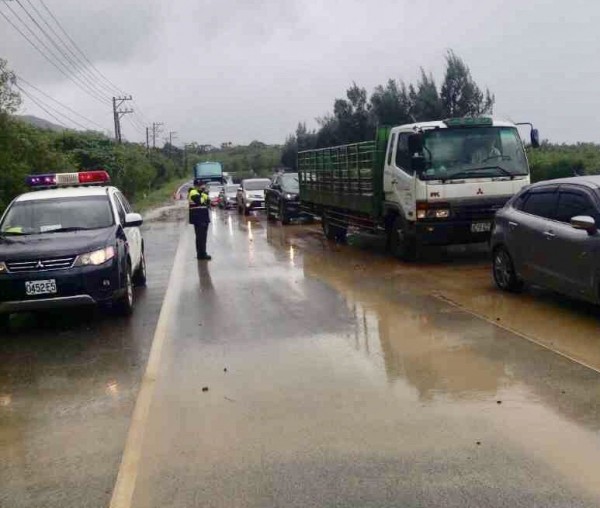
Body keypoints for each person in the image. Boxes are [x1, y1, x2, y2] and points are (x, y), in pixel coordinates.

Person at [189, 179, 212, 260]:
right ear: (195, 186)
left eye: (202, 185)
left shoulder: (201, 193)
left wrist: (205, 195)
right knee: (200, 237)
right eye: (199, 185)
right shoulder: (193, 192)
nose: (201, 186)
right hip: (198, 218)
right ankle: (201, 254)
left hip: (204, 217)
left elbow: (208, 201)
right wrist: (204, 194)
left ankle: (202, 253)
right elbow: (200, 201)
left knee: (203, 237)